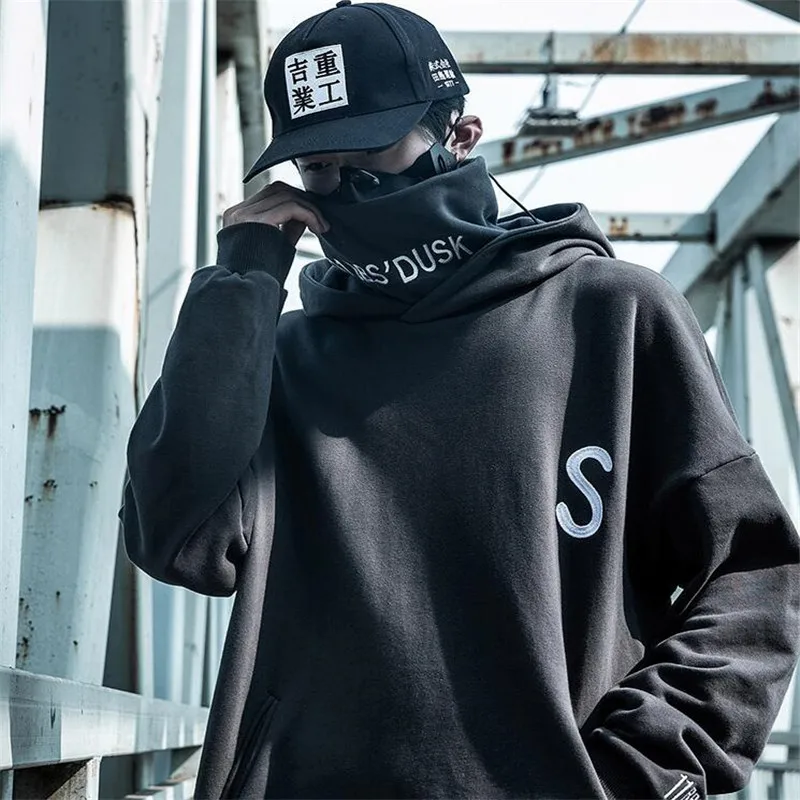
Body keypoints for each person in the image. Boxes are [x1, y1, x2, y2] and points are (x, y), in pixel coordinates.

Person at [119, 2, 800, 798]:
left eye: (372, 153)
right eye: (321, 169)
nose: (348, 189)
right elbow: (174, 536)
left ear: (462, 136)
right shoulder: (281, 358)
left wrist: (641, 769)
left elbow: (753, 576)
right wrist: (241, 279)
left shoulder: (613, 314)